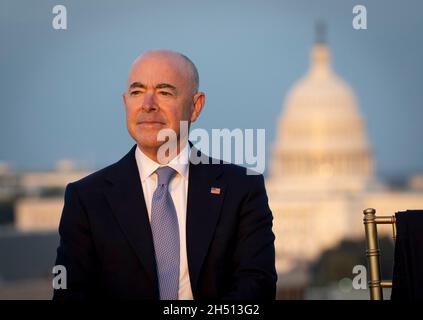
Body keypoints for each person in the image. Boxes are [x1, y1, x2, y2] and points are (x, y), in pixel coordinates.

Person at [53, 49, 277, 300]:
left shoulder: (242, 189)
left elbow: (257, 287)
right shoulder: (86, 198)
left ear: (195, 106)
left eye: (164, 92)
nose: (148, 105)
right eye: (137, 92)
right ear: (125, 102)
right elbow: (69, 294)